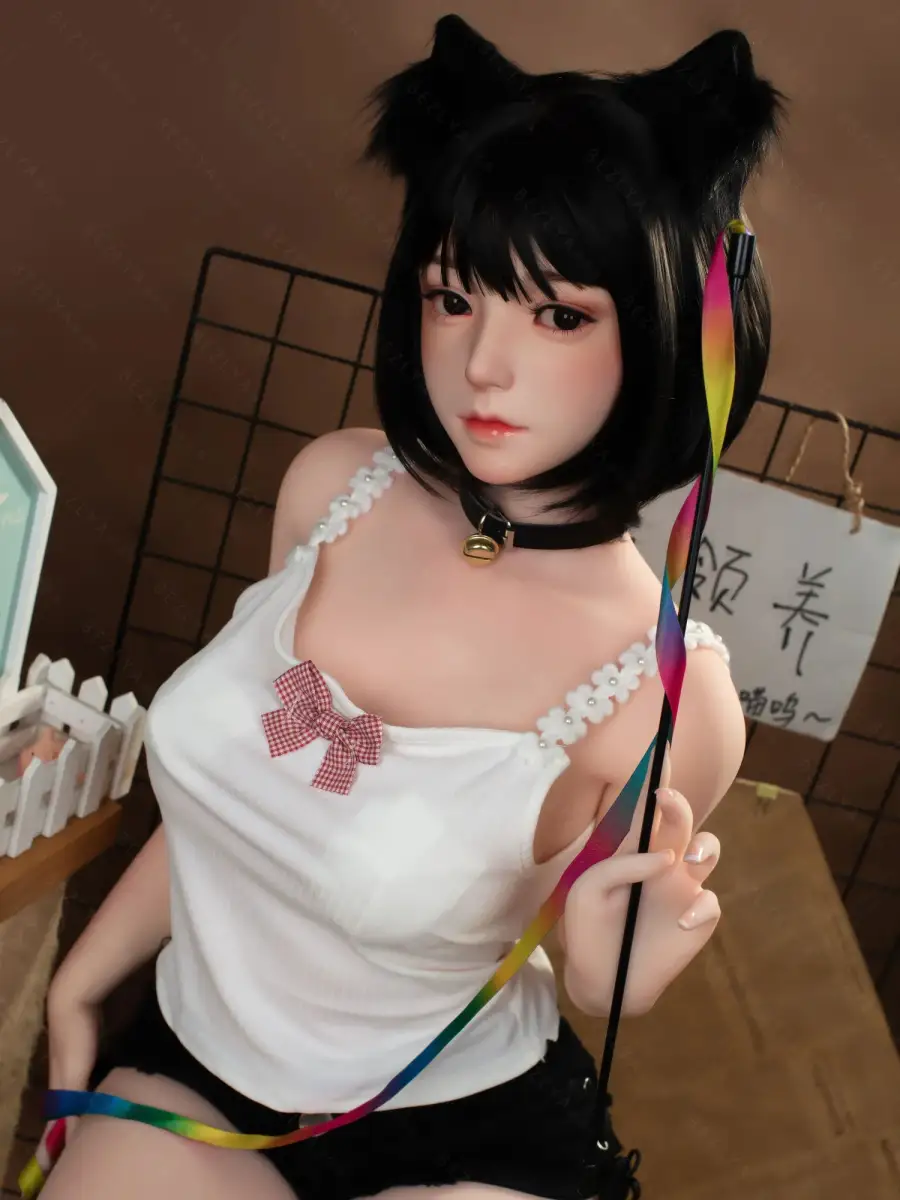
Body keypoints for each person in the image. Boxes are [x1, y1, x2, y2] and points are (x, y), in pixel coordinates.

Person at [36, 15, 783, 1200]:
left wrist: (610, 977)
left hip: (458, 1133)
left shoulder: (665, 691)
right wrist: (82, 981)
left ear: (666, 331)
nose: (484, 363)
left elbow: (595, 952)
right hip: (203, 1065)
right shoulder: (334, 488)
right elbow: (238, 810)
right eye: (452, 297)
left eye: (559, 315)